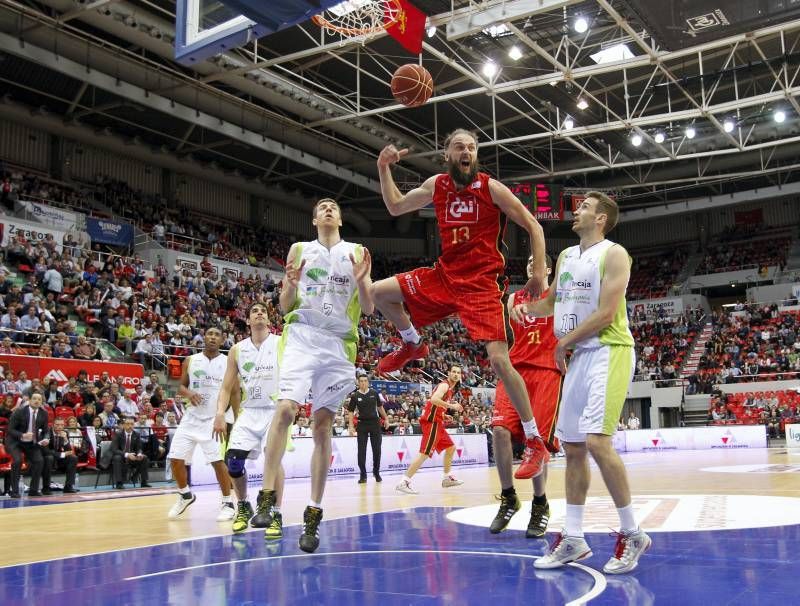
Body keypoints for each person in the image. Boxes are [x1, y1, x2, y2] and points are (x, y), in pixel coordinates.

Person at [372, 129, 549, 479]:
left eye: (471, 147)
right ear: (448, 154)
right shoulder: (437, 184)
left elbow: (533, 225)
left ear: (475, 154)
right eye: (459, 147)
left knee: (499, 361)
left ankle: (533, 440)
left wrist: (540, 273)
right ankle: (412, 343)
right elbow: (395, 205)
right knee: (378, 292)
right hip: (445, 276)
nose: (466, 151)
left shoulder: (490, 188)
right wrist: (383, 167)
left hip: (482, 284)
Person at [512, 191, 651, 574]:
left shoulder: (615, 254)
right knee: (572, 447)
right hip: (577, 356)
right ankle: (573, 537)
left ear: (602, 218)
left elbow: (607, 314)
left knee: (596, 442)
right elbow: (551, 303)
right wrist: (525, 307)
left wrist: (564, 341)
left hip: (609, 350)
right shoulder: (567, 256)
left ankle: (633, 532)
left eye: (585, 207)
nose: (577, 210)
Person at [259, 198, 374, 553]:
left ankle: (314, 511)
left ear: (339, 218)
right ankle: (266, 496)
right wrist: (290, 285)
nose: (328, 209)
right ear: (313, 219)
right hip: (302, 335)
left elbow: (368, 309)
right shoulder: (299, 249)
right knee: (285, 410)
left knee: (322, 425)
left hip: (340, 344)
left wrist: (364, 282)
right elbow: (283, 306)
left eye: (333, 207)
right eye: (321, 207)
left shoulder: (357, 252)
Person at [490, 254, 561, 538]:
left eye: (540, 260)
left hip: (546, 371)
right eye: (529, 260)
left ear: (550, 268)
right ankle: (508, 497)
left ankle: (540, 503)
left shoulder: (559, 295)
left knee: (538, 443)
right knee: (498, 430)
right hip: (516, 368)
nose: (533, 262)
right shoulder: (513, 299)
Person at [213, 302, 286, 539]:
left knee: (273, 460)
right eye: (255, 311)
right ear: (248, 320)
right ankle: (244, 505)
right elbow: (226, 387)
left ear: (269, 318)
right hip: (249, 411)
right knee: (232, 462)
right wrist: (220, 414)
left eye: (263, 311)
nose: (259, 313)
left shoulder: (280, 342)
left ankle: (276, 513)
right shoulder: (237, 350)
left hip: (274, 410)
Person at [166, 326, 235, 521]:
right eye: (210, 333)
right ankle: (185, 494)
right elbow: (180, 386)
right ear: (204, 337)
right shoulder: (191, 360)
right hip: (191, 418)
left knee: (218, 463)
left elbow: (233, 392)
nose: (213, 337)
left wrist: (232, 419)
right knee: (175, 458)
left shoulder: (228, 362)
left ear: (222, 340)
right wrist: (188, 393)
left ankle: (227, 502)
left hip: (214, 419)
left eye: (217, 335)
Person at [396, 365, 465, 495]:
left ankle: (446, 478)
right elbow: (433, 400)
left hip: (438, 422)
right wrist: (452, 406)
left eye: (458, 373)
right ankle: (404, 482)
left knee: (451, 448)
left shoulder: (450, 388)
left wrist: (444, 414)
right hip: (431, 423)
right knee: (425, 453)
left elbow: (435, 406)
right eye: (453, 372)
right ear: (449, 373)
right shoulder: (444, 386)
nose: (456, 374)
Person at [5, 392, 49, 497]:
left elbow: (46, 430)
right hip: (15, 441)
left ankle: (33, 490)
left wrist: (46, 438)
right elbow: (10, 429)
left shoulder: (44, 413)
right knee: (17, 460)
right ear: (29, 400)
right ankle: (14, 491)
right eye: (34, 398)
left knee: (39, 461)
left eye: (39, 399)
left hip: (31, 443)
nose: (37, 401)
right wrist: (22, 435)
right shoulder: (19, 412)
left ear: (41, 402)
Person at [346, 374, 388, 483]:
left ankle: (376, 472)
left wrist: (386, 419)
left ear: (368, 382)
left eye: (365, 381)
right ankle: (363, 475)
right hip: (362, 424)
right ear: (358, 383)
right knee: (361, 451)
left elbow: (380, 407)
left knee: (377, 450)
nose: (363, 383)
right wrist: (351, 426)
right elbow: (350, 411)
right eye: (361, 381)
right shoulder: (355, 396)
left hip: (375, 424)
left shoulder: (374, 393)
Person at [110, 417, 151, 489]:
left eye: (132, 424)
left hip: (132, 458)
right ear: (124, 425)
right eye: (128, 424)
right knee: (117, 458)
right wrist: (127, 455)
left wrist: (139, 454)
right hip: (121, 457)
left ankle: (143, 482)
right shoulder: (118, 434)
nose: (130, 426)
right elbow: (114, 449)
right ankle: (119, 483)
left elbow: (139, 448)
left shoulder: (136, 434)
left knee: (144, 458)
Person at [44, 417, 79, 494]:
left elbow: (69, 451)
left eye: (62, 425)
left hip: (58, 459)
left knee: (73, 458)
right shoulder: (47, 432)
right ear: (53, 425)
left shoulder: (65, 433)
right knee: (49, 458)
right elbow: (45, 451)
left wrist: (65, 439)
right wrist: (62, 454)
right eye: (57, 425)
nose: (60, 427)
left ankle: (68, 486)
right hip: (47, 459)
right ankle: (46, 487)